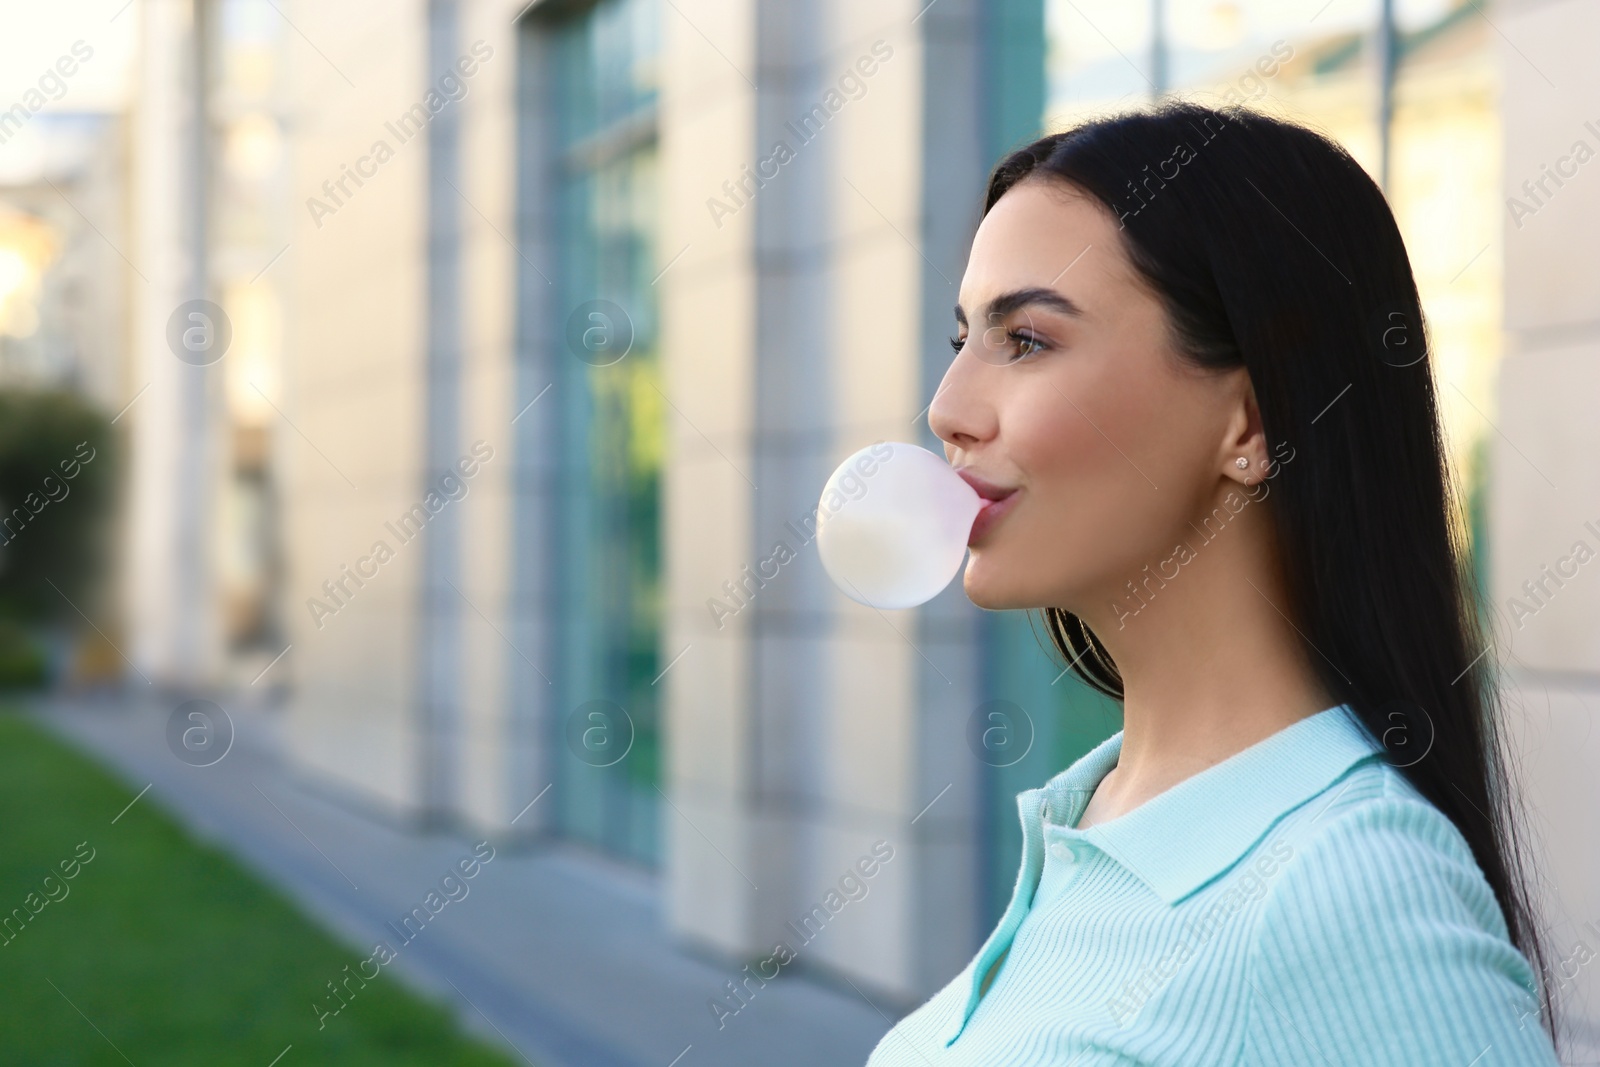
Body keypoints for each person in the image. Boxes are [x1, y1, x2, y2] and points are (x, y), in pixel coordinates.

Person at [866, 103, 1562, 1066]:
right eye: (963, 340)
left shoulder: (1349, 880)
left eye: (1025, 340)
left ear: (1252, 421)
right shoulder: (1095, 814)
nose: (947, 411)